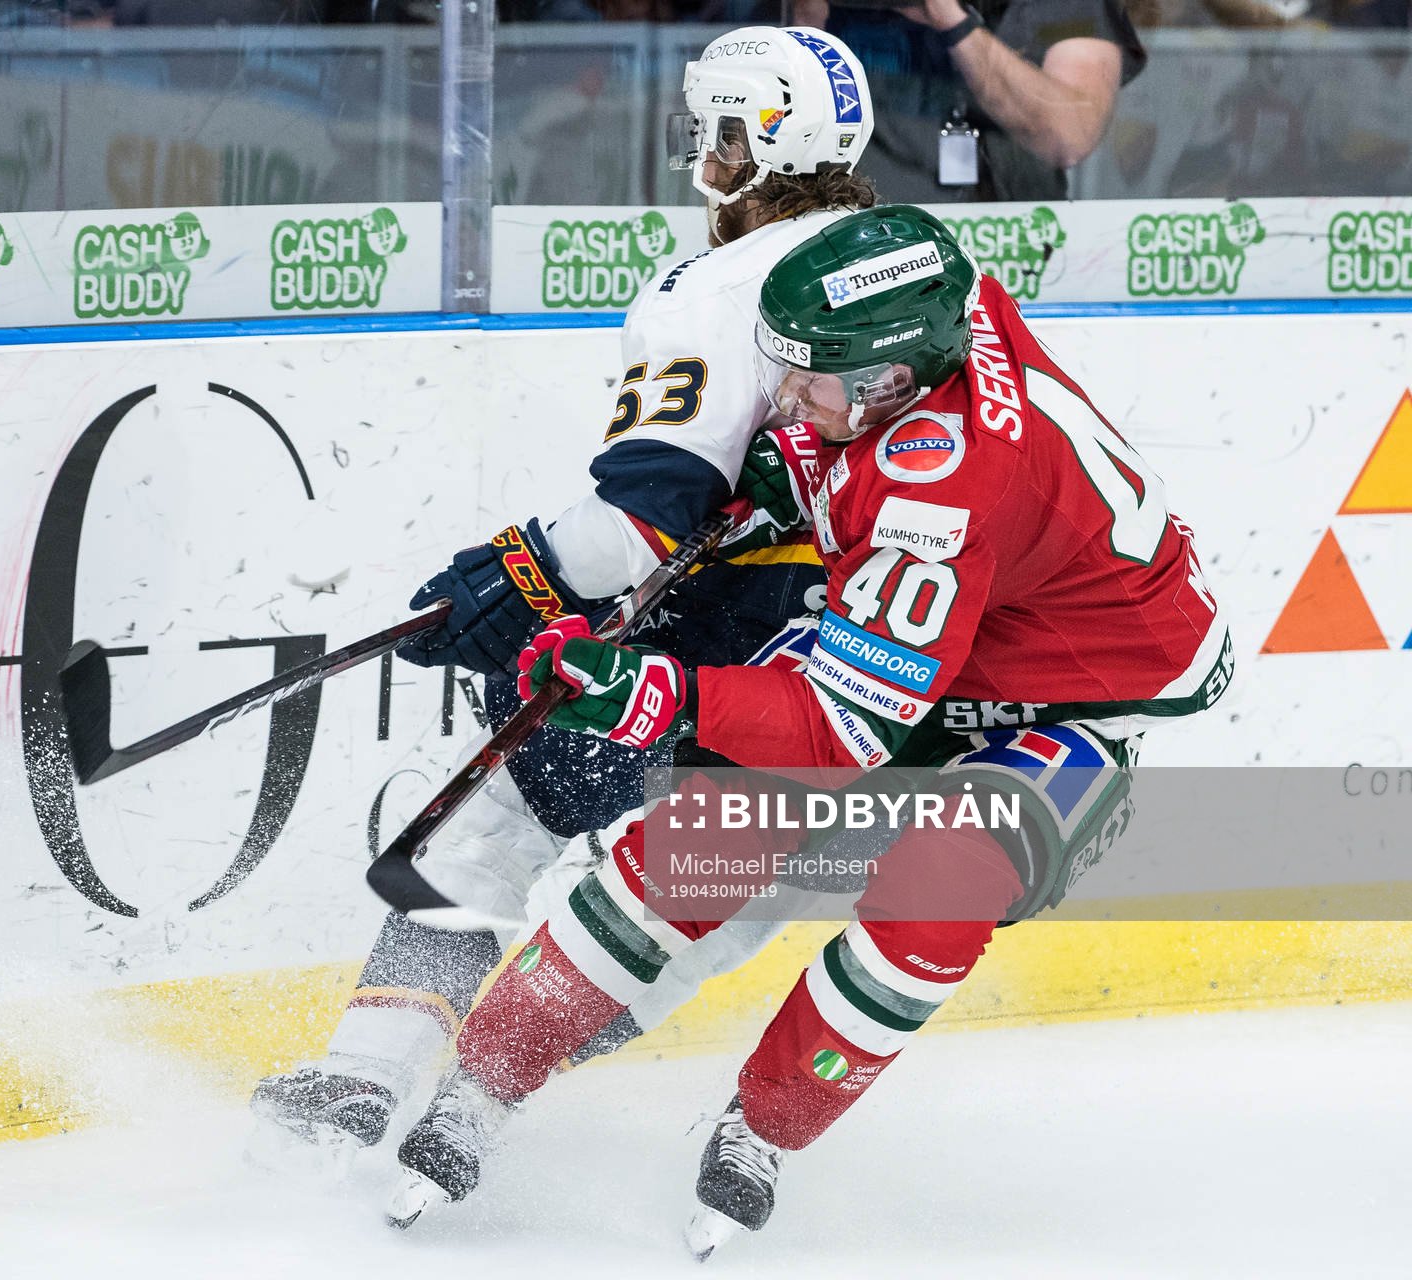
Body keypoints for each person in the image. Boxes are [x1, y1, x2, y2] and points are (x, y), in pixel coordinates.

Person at [387, 204, 1233, 1254]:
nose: (785, 396)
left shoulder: (940, 489)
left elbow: (842, 730)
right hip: (963, 622)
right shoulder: (940, 312)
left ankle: (763, 1129)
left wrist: (659, 692)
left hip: (1062, 697)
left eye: (812, 381)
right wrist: (794, 466)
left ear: (893, 381)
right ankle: (481, 1085)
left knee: (939, 892)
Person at [248, 24, 881, 1160]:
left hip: (728, 640)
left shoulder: (720, 282)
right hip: (886, 660)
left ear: (755, 138)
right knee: (706, 905)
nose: (703, 149)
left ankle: (368, 1078)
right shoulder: (924, 262)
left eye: (715, 128)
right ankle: (484, 1090)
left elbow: (638, 523)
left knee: (494, 814)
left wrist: (515, 571)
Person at [790, 0, 1146, 202]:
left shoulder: (1054, 8)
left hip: (1004, 245)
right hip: (859, 231)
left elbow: (1068, 136)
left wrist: (950, 17)